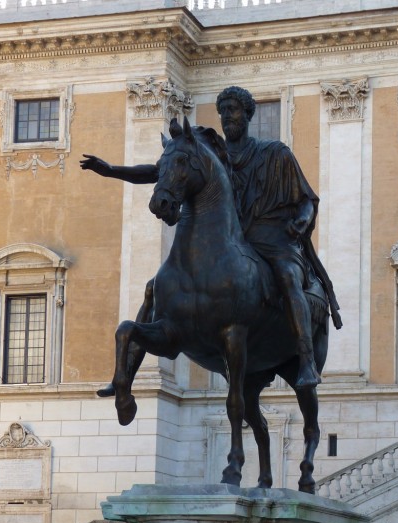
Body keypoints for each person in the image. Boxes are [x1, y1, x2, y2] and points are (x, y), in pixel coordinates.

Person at [80, 85, 341, 393]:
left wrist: (302, 219)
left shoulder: (274, 153)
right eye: (222, 111)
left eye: (232, 110)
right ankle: (123, 379)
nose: (227, 116)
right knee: (155, 287)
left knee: (287, 275)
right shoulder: (211, 155)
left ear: (247, 115)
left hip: (271, 236)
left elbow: (308, 199)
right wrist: (111, 171)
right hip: (231, 237)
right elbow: (161, 171)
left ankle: (307, 362)